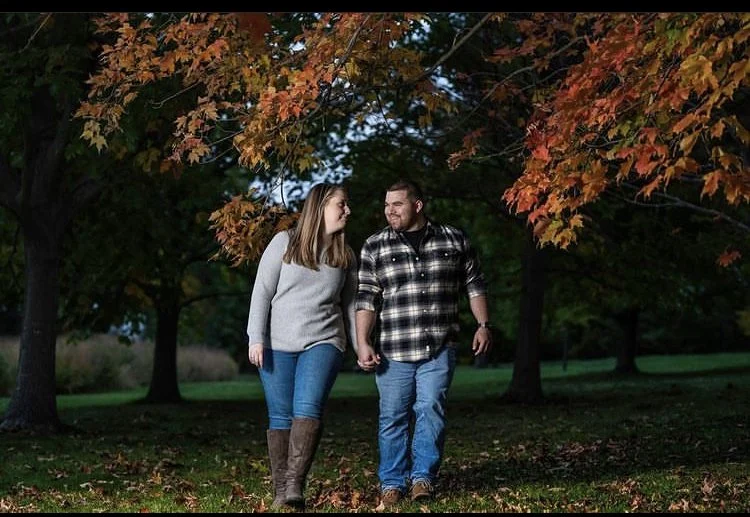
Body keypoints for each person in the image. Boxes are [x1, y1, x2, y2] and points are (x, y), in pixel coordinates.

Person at [355, 179, 492, 506]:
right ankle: (391, 482)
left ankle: (422, 479)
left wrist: (484, 325)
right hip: (394, 350)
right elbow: (366, 299)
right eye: (387, 205)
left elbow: (474, 285)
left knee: (431, 410)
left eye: (397, 204)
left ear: (418, 205)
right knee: (393, 417)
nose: (390, 211)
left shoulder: (454, 238)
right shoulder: (375, 246)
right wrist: (362, 341)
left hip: (439, 346)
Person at [246, 183, 357, 509]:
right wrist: (256, 337)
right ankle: (282, 491)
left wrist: (359, 344)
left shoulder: (344, 255)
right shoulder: (284, 242)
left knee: (307, 408)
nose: (347, 211)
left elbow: (350, 305)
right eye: (341, 204)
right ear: (320, 206)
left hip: (324, 341)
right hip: (277, 345)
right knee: (280, 417)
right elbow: (261, 293)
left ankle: (294, 484)